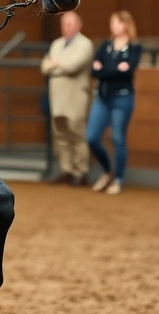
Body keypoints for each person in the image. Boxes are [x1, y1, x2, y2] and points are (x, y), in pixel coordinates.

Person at [87, 11, 142, 195]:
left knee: (118, 138)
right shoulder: (105, 46)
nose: (112, 26)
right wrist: (116, 69)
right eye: (112, 23)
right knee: (92, 137)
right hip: (102, 97)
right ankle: (107, 171)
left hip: (122, 98)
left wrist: (105, 69)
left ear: (126, 24)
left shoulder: (134, 47)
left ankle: (118, 179)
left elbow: (127, 72)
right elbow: (94, 72)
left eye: (116, 23)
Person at [41, 11, 94, 186]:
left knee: (76, 135)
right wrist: (56, 64)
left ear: (79, 25)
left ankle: (81, 172)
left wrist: (55, 64)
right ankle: (67, 170)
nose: (66, 27)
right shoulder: (56, 44)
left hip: (75, 98)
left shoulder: (85, 45)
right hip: (57, 99)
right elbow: (44, 66)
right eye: (64, 24)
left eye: (70, 24)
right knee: (60, 136)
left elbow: (73, 66)